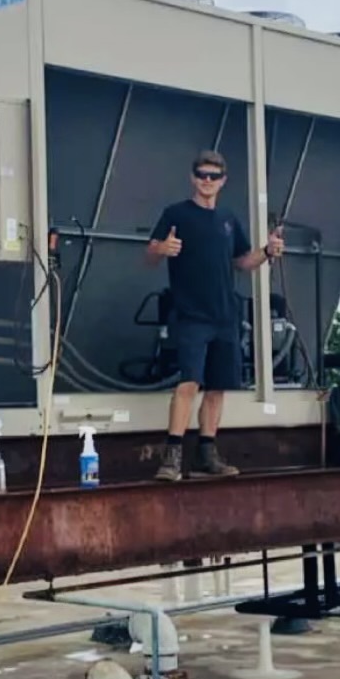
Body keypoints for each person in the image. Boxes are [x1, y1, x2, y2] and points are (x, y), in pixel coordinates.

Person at [145, 148, 284, 481]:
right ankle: (171, 458)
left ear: (223, 181)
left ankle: (207, 454)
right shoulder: (176, 213)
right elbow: (150, 253)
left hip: (225, 315)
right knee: (189, 382)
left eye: (214, 176)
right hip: (191, 314)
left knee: (217, 387)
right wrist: (162, 249)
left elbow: (242, 262)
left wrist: (266, 252)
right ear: (193, 177)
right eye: (202, 175)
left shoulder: (228, 219)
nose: (207, 181)